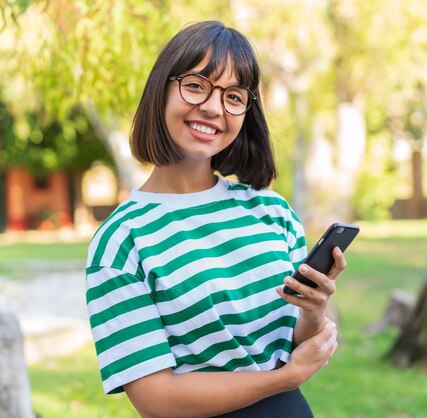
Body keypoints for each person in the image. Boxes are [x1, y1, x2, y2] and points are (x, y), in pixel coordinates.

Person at [85, 20, 346, 417]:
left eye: (234, 96)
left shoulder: (272, 213)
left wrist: (313, 311)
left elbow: (291, 343)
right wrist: (281, 379)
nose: (212, 107)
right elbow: (156, 399)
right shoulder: (121, 241)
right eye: (195, 85)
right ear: (162, 89)